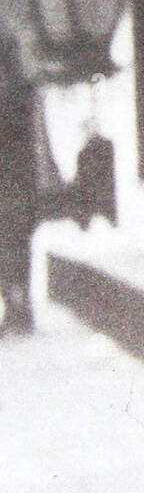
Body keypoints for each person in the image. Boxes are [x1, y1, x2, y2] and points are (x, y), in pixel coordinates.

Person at [0, 35, 37, 335]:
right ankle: (15, 306)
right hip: (13, 171)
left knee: (13, 237)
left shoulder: (14, 79)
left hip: (11, 171)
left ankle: (19, 306)